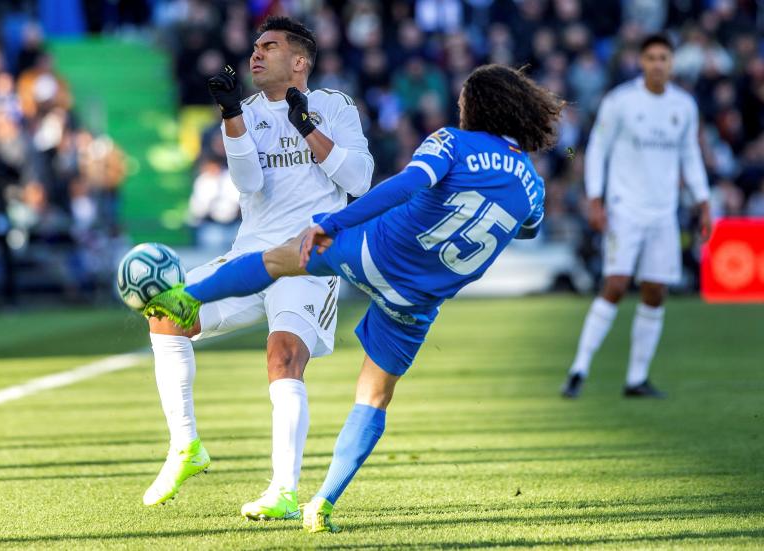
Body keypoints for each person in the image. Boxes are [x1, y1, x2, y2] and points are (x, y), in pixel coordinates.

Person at [144, 64, 559, 532]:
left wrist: (333, 222)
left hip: (377, 252)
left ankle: (188, 296)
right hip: (417, 300)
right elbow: (529, 228)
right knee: (375, 396)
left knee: (279, 260)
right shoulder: (532, 184)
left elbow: (406, 185)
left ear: (475, 107)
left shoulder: (452, 142)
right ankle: (322, 503)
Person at [143, 16, 374, 521]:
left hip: (309, 259)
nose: (256, 54)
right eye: (254, 47)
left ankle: (284, 492)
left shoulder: (334, 106)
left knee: (282, 356)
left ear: (299, 61)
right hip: (251, 256)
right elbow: (249, 185)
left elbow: (359, 179)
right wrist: (230, 117)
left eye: (269, 46)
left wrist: (305, 125)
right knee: (165, 313)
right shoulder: (244, 110)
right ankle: (186, 447)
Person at [561, 34, 711, 399]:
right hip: (624, 207)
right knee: (615, 284)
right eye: (651, 58)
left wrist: (702, 200)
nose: (657, 64)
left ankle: (636, 379)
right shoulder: (620, 102)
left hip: (663, 213)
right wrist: (595, 198)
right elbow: (597, 149)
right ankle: (579, 369)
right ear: (640, 62)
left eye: (663, 57)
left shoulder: (684, 106)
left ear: (672, 63)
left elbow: (690, 155)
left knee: (656, 291)